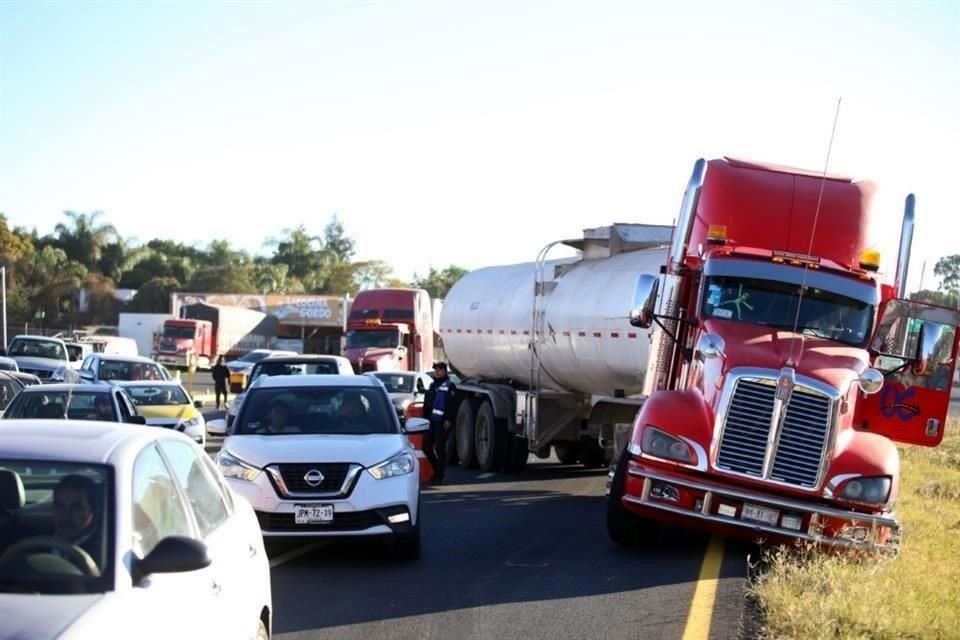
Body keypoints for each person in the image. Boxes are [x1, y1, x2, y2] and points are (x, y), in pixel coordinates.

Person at [52, 474, 102, 569]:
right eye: (59, 507)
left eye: (76, 507)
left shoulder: (106, 552)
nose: (66, 516)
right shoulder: (31, 545)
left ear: (94, 510)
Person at [422, 362, 458, 485]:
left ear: (445, 371)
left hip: (442, 423)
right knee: (426, 447)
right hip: (431, 422)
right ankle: (437, 470)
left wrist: (449, 419)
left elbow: (453, 405)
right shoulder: (432, 385)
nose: (437, 372)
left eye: (440, 369)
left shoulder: (450, 386)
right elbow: (427, 403)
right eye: (436, 369)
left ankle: (439, 476)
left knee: (440, 449)